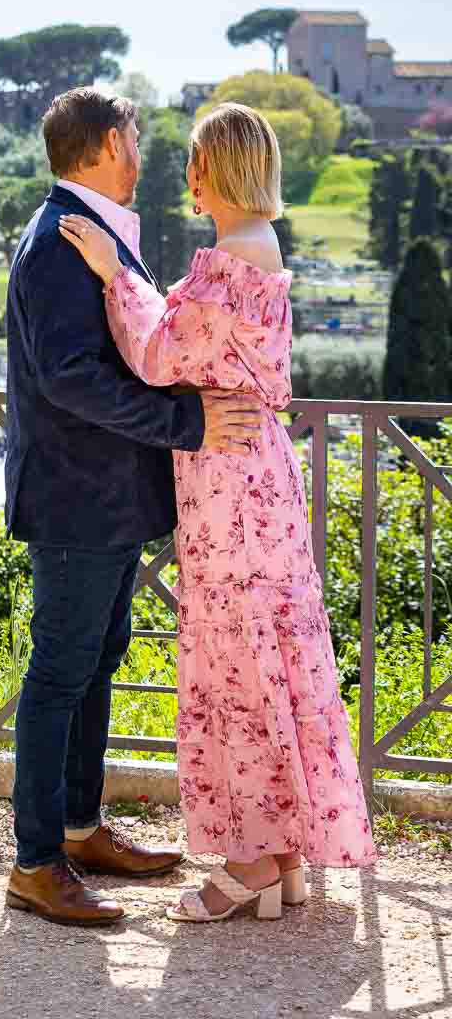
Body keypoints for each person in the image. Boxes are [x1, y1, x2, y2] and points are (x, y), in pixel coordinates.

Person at [60, 101, 377, 925]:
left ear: (220, 169)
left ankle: (245, 863)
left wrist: (111, 274)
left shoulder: (229, 260)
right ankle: (277, 857)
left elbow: (159, 355)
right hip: (255, 478)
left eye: (197, 161)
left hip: (230, 490)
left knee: (237, 667)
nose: (188, 175)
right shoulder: (256, 249)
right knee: (270, 655)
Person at [3, 88, 264, 927]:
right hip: (78, 501)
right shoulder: (57, 243)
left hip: (105, 499)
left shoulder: (91, 231)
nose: (144, 151)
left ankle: (80, 830)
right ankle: (36, 862)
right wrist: (187, 421)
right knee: (58, 675)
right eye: (137, 137)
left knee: (94, 661)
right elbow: (72, 379)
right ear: (112, 142)